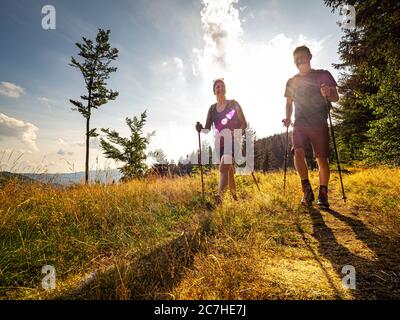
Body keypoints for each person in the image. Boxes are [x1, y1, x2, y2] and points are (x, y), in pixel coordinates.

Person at [283, 46, 339, 208]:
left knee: (321, 158)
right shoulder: (291, 81)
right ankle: (306, 190)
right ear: (294, 61)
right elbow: (288, 103)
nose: (300, 60)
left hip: (319, 121)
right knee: (298, 152)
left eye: (303, 56)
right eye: (297, 58)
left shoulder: (323, 74)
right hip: (300, 122)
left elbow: (335, 98)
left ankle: (323, 193)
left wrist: (328, 93)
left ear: (310, 57)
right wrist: (287, 117)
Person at [196, 79, 247, 202]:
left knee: (224, 166)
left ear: (225, 89)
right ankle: (235, 198)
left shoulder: (234, 104)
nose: (220, 88)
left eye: (222, 86)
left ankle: (219, 198)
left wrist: (236, 132)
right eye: (217, 87)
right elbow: (207, 129)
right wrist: (200, 128)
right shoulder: (212, 109)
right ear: (214, 91)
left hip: (233, 141)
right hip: (219, 144)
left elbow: (244, 124)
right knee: (228, 171)